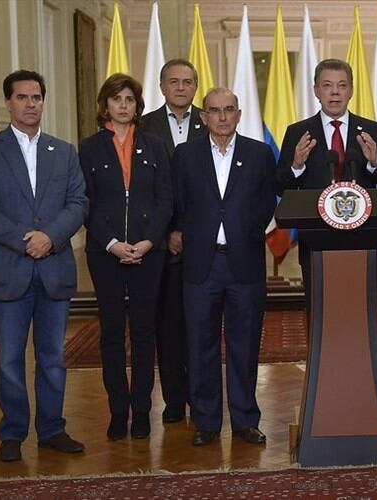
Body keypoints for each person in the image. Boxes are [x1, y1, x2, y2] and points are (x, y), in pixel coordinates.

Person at [0, 70, 88, 461]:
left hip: (54, 270)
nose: (31, 104)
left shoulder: (64, 151)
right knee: (9, 360)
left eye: (37, 97)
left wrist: (49, 237)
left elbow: (78, 203)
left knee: (52, 358)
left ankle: (52, 429)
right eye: (23, 97)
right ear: (8, 103)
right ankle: (13, 434)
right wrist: (27, 239)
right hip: (10, 270)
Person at [172, 88, 277, 447]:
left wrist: (245, 232)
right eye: (214, 110)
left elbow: (267, 202)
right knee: (199, 346)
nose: (221, 117)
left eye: (228, 110)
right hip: (201, 263)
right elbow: (179, 203)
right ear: (203, 117)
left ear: (239, 114)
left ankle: (246, 420)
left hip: (244, 262)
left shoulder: (259, 153)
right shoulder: (185, 155)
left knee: (244, 346)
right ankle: (206, 422)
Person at [78, 74, 173, 440]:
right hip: (105, 252)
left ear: (137, 106)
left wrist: (149, 242)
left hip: (150, 252)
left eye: (130, 99)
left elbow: (166, 200)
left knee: (146, 332)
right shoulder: (88, 148)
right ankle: (118, 410)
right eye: (116, 98)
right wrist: (113, 243)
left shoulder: (154, 145)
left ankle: (142, 410)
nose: (123, 105)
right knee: (113, 334)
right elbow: (84, 202)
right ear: (105, 104)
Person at [276, 58, 377, 306]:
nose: (335, 92)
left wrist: (374, 162)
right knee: (321, 305)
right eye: (327, 85)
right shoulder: (298, 132)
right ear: (316, 90)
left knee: (361, 304)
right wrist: (296, 165)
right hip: (316, 238)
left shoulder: (371, 131)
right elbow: (280, 186)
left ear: (351, 90)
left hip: (364, 238)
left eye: (342, 85)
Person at [140, 59, 208, 423]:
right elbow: (144, 189)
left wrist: (190, 231)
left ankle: (201, 398)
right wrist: (166, 232)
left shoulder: (210, 121)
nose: (181, 88)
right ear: (162, 86)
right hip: (160, 244)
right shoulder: (144, 126)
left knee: (200, 326)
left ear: (195, 87)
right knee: (166, 326)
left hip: (203, 242)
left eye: (187, 82)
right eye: (173, 82)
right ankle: (173, 400)